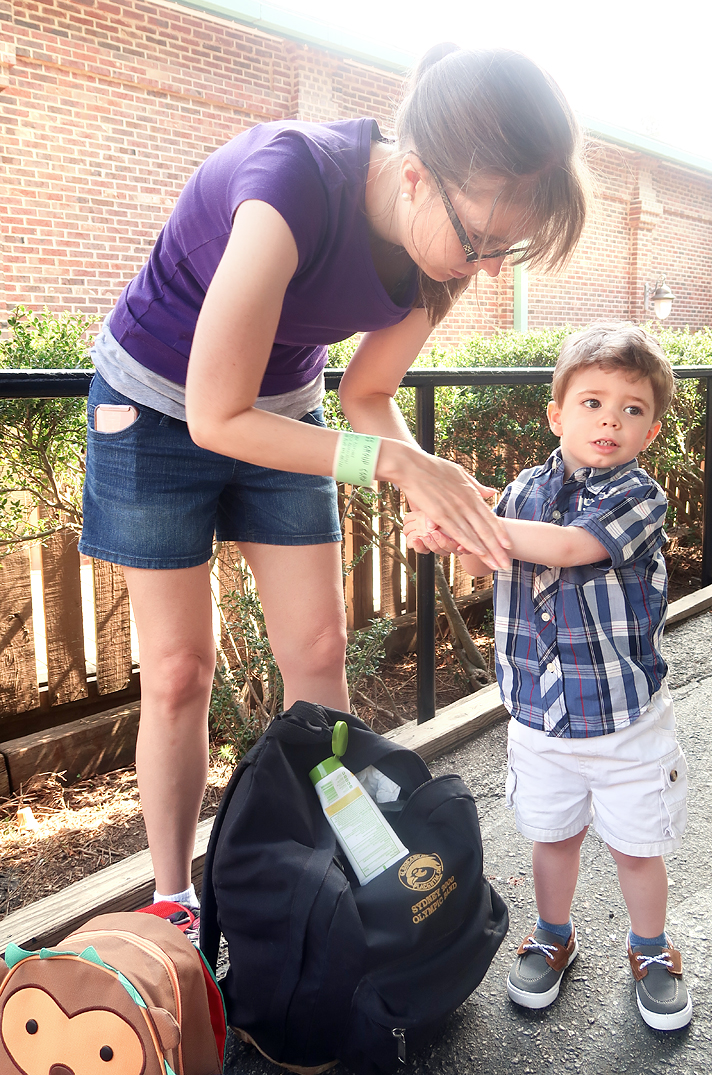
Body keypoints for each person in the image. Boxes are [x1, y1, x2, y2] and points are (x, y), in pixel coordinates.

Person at [78, 44, 590, 920]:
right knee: (178, 671)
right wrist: (394, 462)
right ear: (419, 174)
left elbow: (367, 395)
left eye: (510, 249)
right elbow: (215, 416)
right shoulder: (291, 183)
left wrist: (429, 486)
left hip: (279, 404)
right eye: (484, 242)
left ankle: (337, 883)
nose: (491, 267)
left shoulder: (439, 258)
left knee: (318, 653)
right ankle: (173, 903)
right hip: (157, 406)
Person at [404, 322, 692, 1030]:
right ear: (556, 414)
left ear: (650, 429)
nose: (611, 420)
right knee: (552, 837)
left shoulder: (638, 497)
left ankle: (650, 949)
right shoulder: (525, 490)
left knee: (636, 847)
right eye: (592, 402)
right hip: (538, 717)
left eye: (632, 409)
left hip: (625, 722)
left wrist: (465, 515)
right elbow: (483, 563)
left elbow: (569, 547)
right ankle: (553, 933)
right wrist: (451, 533)